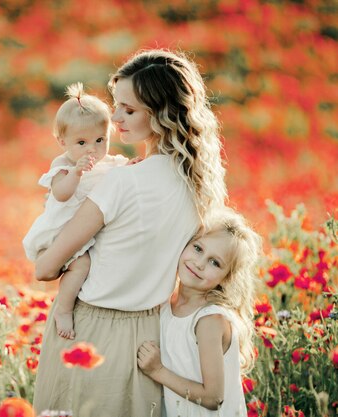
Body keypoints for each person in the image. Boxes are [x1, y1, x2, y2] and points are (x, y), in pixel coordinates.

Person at [33, 48, 227, 417]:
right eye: (116, 104)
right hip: (151, 338)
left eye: (130, 110)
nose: (114, 118)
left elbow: (44, 268)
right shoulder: (200, 184)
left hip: (87, 332)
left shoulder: (122, 182)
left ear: (163, 114)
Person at [23, 82, 129, 340]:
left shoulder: (110, 162)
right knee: (81, 265)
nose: (92, 149)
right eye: (81, 142)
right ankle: (63, 308)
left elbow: (124, 172)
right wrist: (76, 173)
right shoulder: (63, 166)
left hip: (88, 231)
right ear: (62, 142)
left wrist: (133, 165)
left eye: (100, 140)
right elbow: (61, 194)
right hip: (60, 230)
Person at [137, 207, 261, 417]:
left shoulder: (209, 319)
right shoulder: (167, 304)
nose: (200, 263)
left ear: (226, 278)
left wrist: (158, 371)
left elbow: (214, 397)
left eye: (215, 262)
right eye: (198, 248)